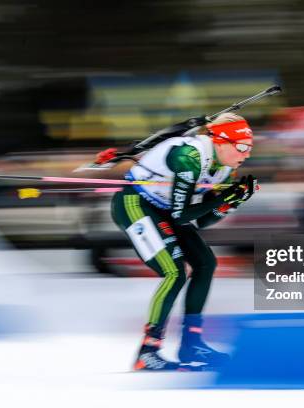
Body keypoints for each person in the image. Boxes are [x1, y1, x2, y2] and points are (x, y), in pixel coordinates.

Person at [108, 112, 258, 370]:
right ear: (221, 141)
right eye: (241, 147)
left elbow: (201, 221)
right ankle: (148, 350)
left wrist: (234, 201)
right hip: (136, 203)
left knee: (205, 263)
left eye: (250, 148)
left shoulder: (225, 169)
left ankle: (191, 343)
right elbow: (182, 215)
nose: (246, 154)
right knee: (174, 272)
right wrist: (223, 199)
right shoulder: (189, 157)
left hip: (166, 210)